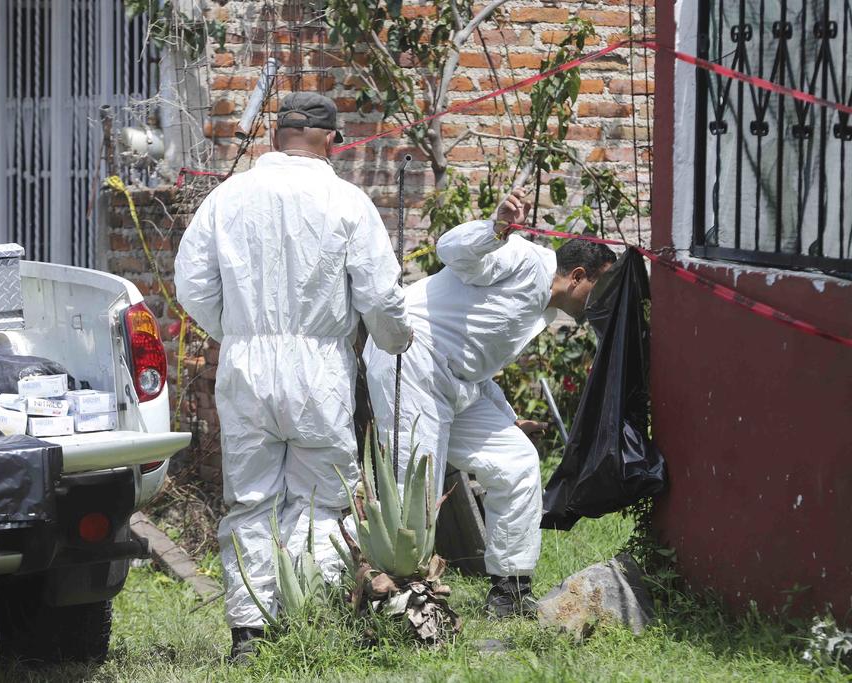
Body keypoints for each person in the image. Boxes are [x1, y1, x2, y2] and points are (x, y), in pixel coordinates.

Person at [175, 93, 412, 660]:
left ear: (276, 136)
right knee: (323, 499)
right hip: (319, 369)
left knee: (250, 498)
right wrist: (395, 340)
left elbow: (192, 283)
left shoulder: (227, 197)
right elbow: (380, 295)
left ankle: (249, 633)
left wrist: (239, 331)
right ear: (331, 139)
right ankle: (311, 619)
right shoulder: (347, 200)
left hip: (246, 366)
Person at [363, 189, 616, 617]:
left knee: (517, 462)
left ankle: (509, 592)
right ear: (577, 275)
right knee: (415, 483)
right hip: (410, 358)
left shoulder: (543, 310)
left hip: (456, 383)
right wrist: (495, 229)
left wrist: (508, 418)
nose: (601, 301)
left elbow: (475, 364)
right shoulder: (524, 259)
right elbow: (451, 249)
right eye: (600, 288)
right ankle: (395, 599)